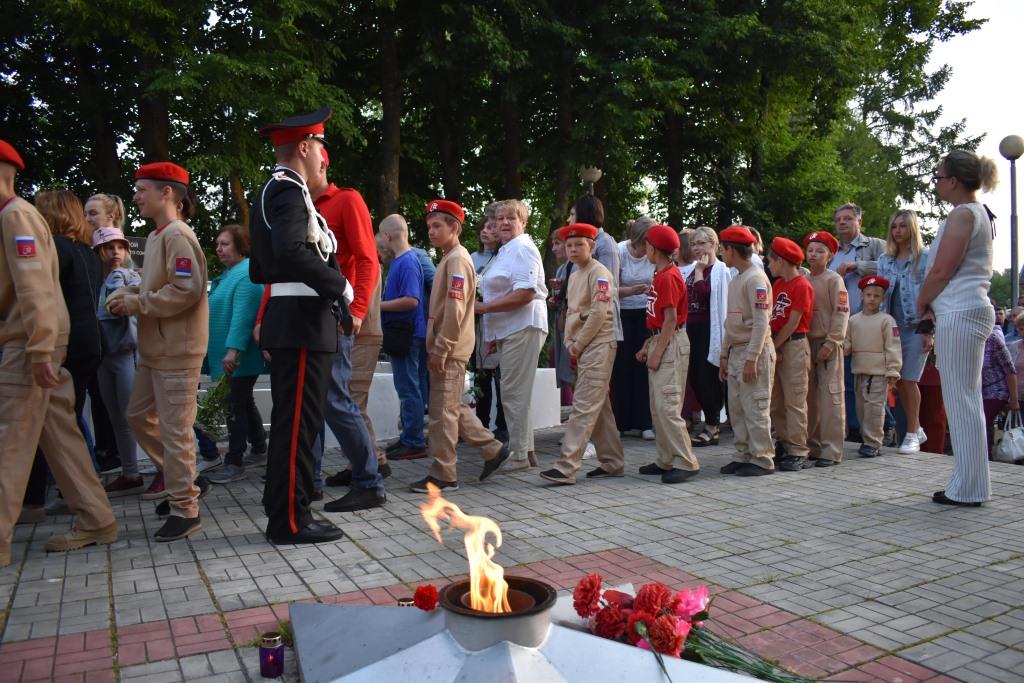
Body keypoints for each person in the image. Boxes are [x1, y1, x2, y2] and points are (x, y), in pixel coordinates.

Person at [0, 139, 117, 567]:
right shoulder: (18, 216)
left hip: (29, 342)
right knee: (60, 435)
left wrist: (39, 348)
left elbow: (34, 288)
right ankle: (97, 518)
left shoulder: (15, 216)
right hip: (34, 341)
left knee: (10, 440)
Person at [248, 107, 354, 543]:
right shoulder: (288, 191)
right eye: (321, 148)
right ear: (307, 147)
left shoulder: (281, 191)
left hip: (299, 320)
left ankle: (287, 508)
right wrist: (341, 286)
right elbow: (291, 252)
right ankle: (290, 521)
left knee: (298, 425)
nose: (323, 159)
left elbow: (262, 267)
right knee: (298, 427)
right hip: (301, 323)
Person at [106, 162, 209, 541]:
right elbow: (157, 286)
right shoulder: (156, 236)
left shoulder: (178, 235)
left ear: (168, 193)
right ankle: (188, 482)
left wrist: (135, 303)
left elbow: (186, 291)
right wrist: (129, 293)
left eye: (142, 189)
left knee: (175, 431)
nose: (135, 196)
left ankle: (186, 508)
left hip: (177, 351)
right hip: (156, 349)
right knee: (137, 416)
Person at [411, 200, 509, 491]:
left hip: (449, 348)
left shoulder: (456, 259)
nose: (431, 231)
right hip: (449, 346)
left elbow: (454, 310)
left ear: (455, 227)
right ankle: (493, 449)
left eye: (437, 225)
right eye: (429, 226)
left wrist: (441, 347)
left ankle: (444, 474)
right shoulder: (451, 257)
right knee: (452, 406)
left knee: (443, 414)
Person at [918, 150, 998, 506]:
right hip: (967, 310)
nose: (936, 183)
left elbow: (941, 270)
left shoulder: (964, 214)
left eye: (939, 177)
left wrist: (922, 302)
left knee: (961, 400)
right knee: (966, 400)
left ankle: (968, 488)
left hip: (961, 312)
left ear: (953, 180)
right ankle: (969, 482)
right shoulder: (976, 213)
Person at [308, 148, 386, 512]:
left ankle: (369, 481)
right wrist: (264, 317)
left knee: (334, 399)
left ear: (322, 162)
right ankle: (309, 480)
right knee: (312, 401)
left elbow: (368, 257)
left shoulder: (345, 200)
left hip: (334, 317)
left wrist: (356, 310)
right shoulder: (295, 205)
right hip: (301, 319)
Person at [540, 223, 624, 484]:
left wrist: (577, 344)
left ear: (592, 246)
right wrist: (572, 343)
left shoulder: (600, 274)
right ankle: (612, 462)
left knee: (584, 406)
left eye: (579, 244)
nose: (573, 249)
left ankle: (567, 466)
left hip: (598, 344)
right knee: (599, 407)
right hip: (582, 346)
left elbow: (599, 314)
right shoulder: (574, 274)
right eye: (569, 245)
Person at [477, 199, 548, 471]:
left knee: (513, 393)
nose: (504, 223)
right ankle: (526, 451)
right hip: (511, 328)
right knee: (516, 393)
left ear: (523, 222)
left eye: (512, 218)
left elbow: (525, 293)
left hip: (523, 325)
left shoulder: (521, 248)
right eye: (500, 218)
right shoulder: (507, 249)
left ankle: (518, 455)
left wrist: (483, 308)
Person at [635, 225, 700, 483]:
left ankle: (686, 461)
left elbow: (671, 319)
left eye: (646, 245)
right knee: (658, 406)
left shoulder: (668, 277)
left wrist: (657, 352)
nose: (644, 249)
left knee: (668, 405)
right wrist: (647, 345)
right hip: (660, 338)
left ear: (653, 248)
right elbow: (658, 319)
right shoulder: (659, 273)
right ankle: (666, 458)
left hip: (670, 342)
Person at [203, 225, 267, 485]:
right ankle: (260, 448)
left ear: (241, 245)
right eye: (217, 244)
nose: (219, 249)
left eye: (225, 244)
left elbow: (244, 316)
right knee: (243, 401)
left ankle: (235, 461)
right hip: (231, 354)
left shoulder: (246, 274)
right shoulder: (233, 273)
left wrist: (233, 350)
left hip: (238, 356)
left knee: (234, 406)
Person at [718, 226, 775, 476]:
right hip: (736, 351)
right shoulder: (737, 277)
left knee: (755, 406)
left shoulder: (755, 278)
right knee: (738, 407)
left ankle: (762, 458)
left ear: (732, 250)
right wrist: (724, 354)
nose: (721, 252)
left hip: (753, 351)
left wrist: (753, 357)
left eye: (723, 248)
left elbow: (761, 321)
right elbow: (730, 322)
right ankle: (743, 453)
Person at [829, 203, 887, 441]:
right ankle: (856, 429)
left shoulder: (874, 245)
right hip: (840, 325)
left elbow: (888, 268)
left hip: (868, 323)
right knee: (847, 381)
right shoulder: (832, 251)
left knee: (870, 382)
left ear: (859, 222)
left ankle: (884, 428)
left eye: (847, 219)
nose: (842, 222)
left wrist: (858, 266)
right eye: (839, 219)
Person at [93, 227, 144, 495]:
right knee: (116, 418)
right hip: (105, 357)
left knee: (132, 416)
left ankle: (155, 471)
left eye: (120, 247)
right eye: (108, 247)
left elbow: (127, 295)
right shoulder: (94, 280)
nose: (114, 252)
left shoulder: (126, 275)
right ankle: (130, 473)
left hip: (126, 354)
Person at [876, 210, 930, 454]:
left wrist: (929, 330)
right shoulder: (884, 260)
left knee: (909, 379)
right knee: (896, 381)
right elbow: (878, 293)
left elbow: (933, 294)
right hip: (891, 326)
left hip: (915, 326)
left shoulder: (924, 258)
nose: (898, 231)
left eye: (903, 226)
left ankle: (911, 433)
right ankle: (915, 427)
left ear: (912, 229)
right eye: (895, 226)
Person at [378, 213, 428, 460]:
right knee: (407, 387)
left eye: (381, 235)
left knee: (409, 388)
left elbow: (411, 300)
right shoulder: (402, 260)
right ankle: (410, 437)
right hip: (403, 332)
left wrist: (378, 305)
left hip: (406, 334)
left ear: (388, 236)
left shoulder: (407, 261)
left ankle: (414, 441)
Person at [83, 193, 126, 471]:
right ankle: (115, 456)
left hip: (121, 345)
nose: (87, 219)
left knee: (129, 410)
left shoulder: (120, 253)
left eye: (93, 213)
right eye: (85, 213)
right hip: (100, 343)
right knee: (103, 402)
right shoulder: (88, 251)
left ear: (111, 216)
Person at [766, 237, 814, 471]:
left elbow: (794, 322)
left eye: (771, 260)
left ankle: (798, 449)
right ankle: (784, 443)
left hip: (793, 345)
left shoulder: (801, 285)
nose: (768, 265)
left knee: (795, 401)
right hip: (778, 343)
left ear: (782, 261)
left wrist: (774, 346)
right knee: (777, 401)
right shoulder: (777, 285)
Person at [803, 231, 849, 466]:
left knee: (831, 398)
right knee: (810, 398)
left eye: (820, 251)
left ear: (830, 255)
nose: (813, 254)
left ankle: (831, 450)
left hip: (828, 344)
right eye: (810, 250)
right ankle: (813, 445)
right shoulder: (804, 278)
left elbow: (841, 312)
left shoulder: (834, 280)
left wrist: (832, 342)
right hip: (806, 343)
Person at [683, 226, 730, 446]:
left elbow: (704, 294)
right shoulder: (693, 269)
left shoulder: (720, 270)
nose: (696, 248)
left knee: (707, 377)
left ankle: (713, 426)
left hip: (709, 329)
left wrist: (701, 271)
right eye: (693, 243)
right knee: (695, 377)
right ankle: (709, 422)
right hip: (691, 328)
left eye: (701, 243)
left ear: (714, 245)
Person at [844, 276, 901, 458]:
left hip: (878, 373)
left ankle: (873, 442)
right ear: (861, 296)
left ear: (883, 298)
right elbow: (847, 344)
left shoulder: (887, 321)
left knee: (875, 409)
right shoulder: (853, 320)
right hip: (859, 371)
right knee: (861, 409)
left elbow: (893, 346)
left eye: (876, 296)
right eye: (868, 294)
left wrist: (893, 370)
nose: (871, 299)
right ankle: (866, 438)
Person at [612, 217, 655, 439]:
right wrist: (632, 291)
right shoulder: (619, 251)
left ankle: (645, 422)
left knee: (643, 366)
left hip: (645, 314)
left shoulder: (655, 253)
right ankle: (619, 422)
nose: (645, 251)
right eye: (643, 245)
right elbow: (609, 288)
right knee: (621, 366)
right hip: (622, 312)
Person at [471, 211, 507, 440]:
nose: (486, 231)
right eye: (483, 227)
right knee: (481, 374)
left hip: (499, 319)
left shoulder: (504, 257)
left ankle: (503, 426)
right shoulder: (471, 257)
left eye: (491, 227)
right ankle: (481, 424)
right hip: (477, 322)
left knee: (502, 377)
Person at [569, 195, 622, 343]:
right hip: (583, 325)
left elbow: (608, 292)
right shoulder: (580, 244)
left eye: (572, 214)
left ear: (584, 215)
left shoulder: (605, 244)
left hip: (601, 332)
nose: (569, 220)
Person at [981, 314, 1017, 459]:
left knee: (982, 422)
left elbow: (1010, 370)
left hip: (997, 391)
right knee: (981, 424)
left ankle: (986, 458)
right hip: (979, 392)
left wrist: (1013, 400)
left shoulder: (994, 340)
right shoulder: (968, 341)